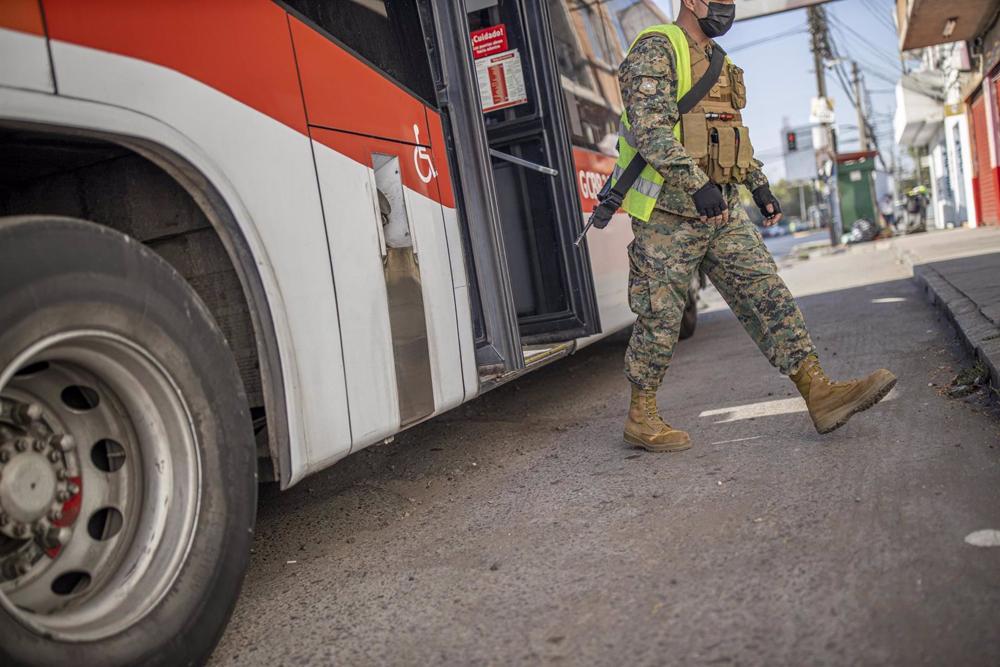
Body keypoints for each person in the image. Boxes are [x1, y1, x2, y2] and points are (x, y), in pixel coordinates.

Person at [615, 0, 897, 451]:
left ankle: (819, 392)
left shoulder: (721, 64)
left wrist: (759, 185)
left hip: (722, 212)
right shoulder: (657, 48)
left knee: (766, 292)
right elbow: (651, 131)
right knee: (660, 317)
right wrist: (694, 182)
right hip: (669, 216)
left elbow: (731, 134)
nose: (728, 6)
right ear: (691, 1)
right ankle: (640, 415)